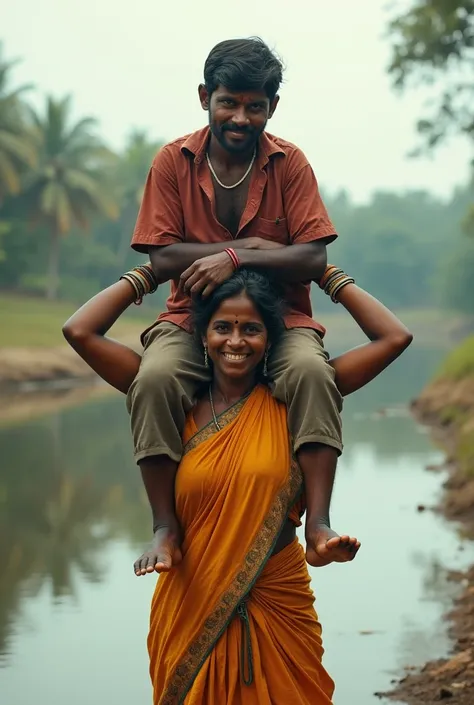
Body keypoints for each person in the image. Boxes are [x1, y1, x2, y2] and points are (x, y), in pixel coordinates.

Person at [63, 262, 412, 704]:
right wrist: (152, 272)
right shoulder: (173, 400)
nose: (235, 341)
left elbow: (395, 337)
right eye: (222, 327)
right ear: (202, 335)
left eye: (251, 329)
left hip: (276, 598)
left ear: (270, 340)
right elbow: (79, 331)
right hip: (191, 596)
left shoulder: (295, 398)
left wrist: (324, 274)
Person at [128, 37, 348, 569]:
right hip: (190, 317)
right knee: (155, 378)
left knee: (312, 375)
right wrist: (251, 248)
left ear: (272, 107)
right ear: (206, 96)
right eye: (229, 101)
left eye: (255, 105)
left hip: (282, 319)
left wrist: (235, 257)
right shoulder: (172, 160)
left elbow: (313, 259)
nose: (241, 117)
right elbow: (162, 257)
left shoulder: (290, 163)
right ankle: (163, 526)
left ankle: (317, 523)